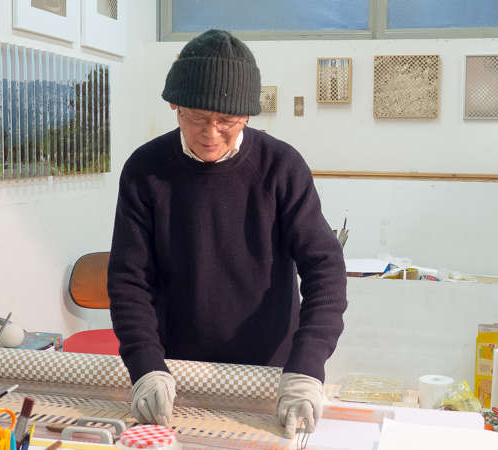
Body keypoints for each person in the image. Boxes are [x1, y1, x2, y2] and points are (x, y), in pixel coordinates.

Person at [107, 29, 347, 438]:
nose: (211, 133)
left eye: (226, 122)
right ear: (175, 106)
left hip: (271, 377)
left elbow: (325, 269)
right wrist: (145, 365)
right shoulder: (145, 171)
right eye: (197, 118)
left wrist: (307, 367)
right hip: (175, 375)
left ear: (247, 116)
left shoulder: (281, 168)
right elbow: (129, 280)